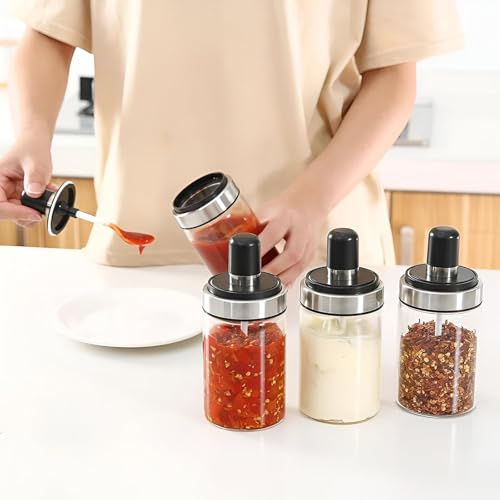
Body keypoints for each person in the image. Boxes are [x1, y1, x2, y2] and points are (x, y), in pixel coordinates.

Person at [0, 1, 463, 286]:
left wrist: (310, 200)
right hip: (139, 257)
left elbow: (394, 77)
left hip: (306, 255)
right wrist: (32, 132)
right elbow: (46, 35)